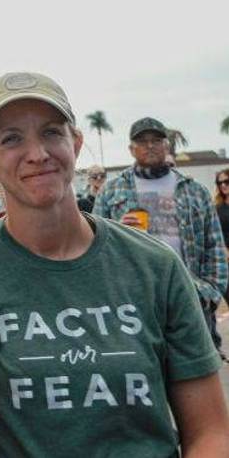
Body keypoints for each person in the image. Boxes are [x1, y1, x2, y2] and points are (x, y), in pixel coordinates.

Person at [0, 72, 229, 456]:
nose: (38, 153)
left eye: (51, 132)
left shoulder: (156, 266)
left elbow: (210, 433)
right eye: (11, 138)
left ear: (75, 143)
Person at [93, 117, 228, 357]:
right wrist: (117, 232)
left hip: (189, 297)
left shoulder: (194, 191)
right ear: (131, 149)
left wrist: (209, 294)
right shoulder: (111, 191)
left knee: (195, 374)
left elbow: (214, 246)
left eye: (156, 140)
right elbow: (93, 246)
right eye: (142, 141)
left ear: (167, 145)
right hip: (132, 303)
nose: (150, 146)